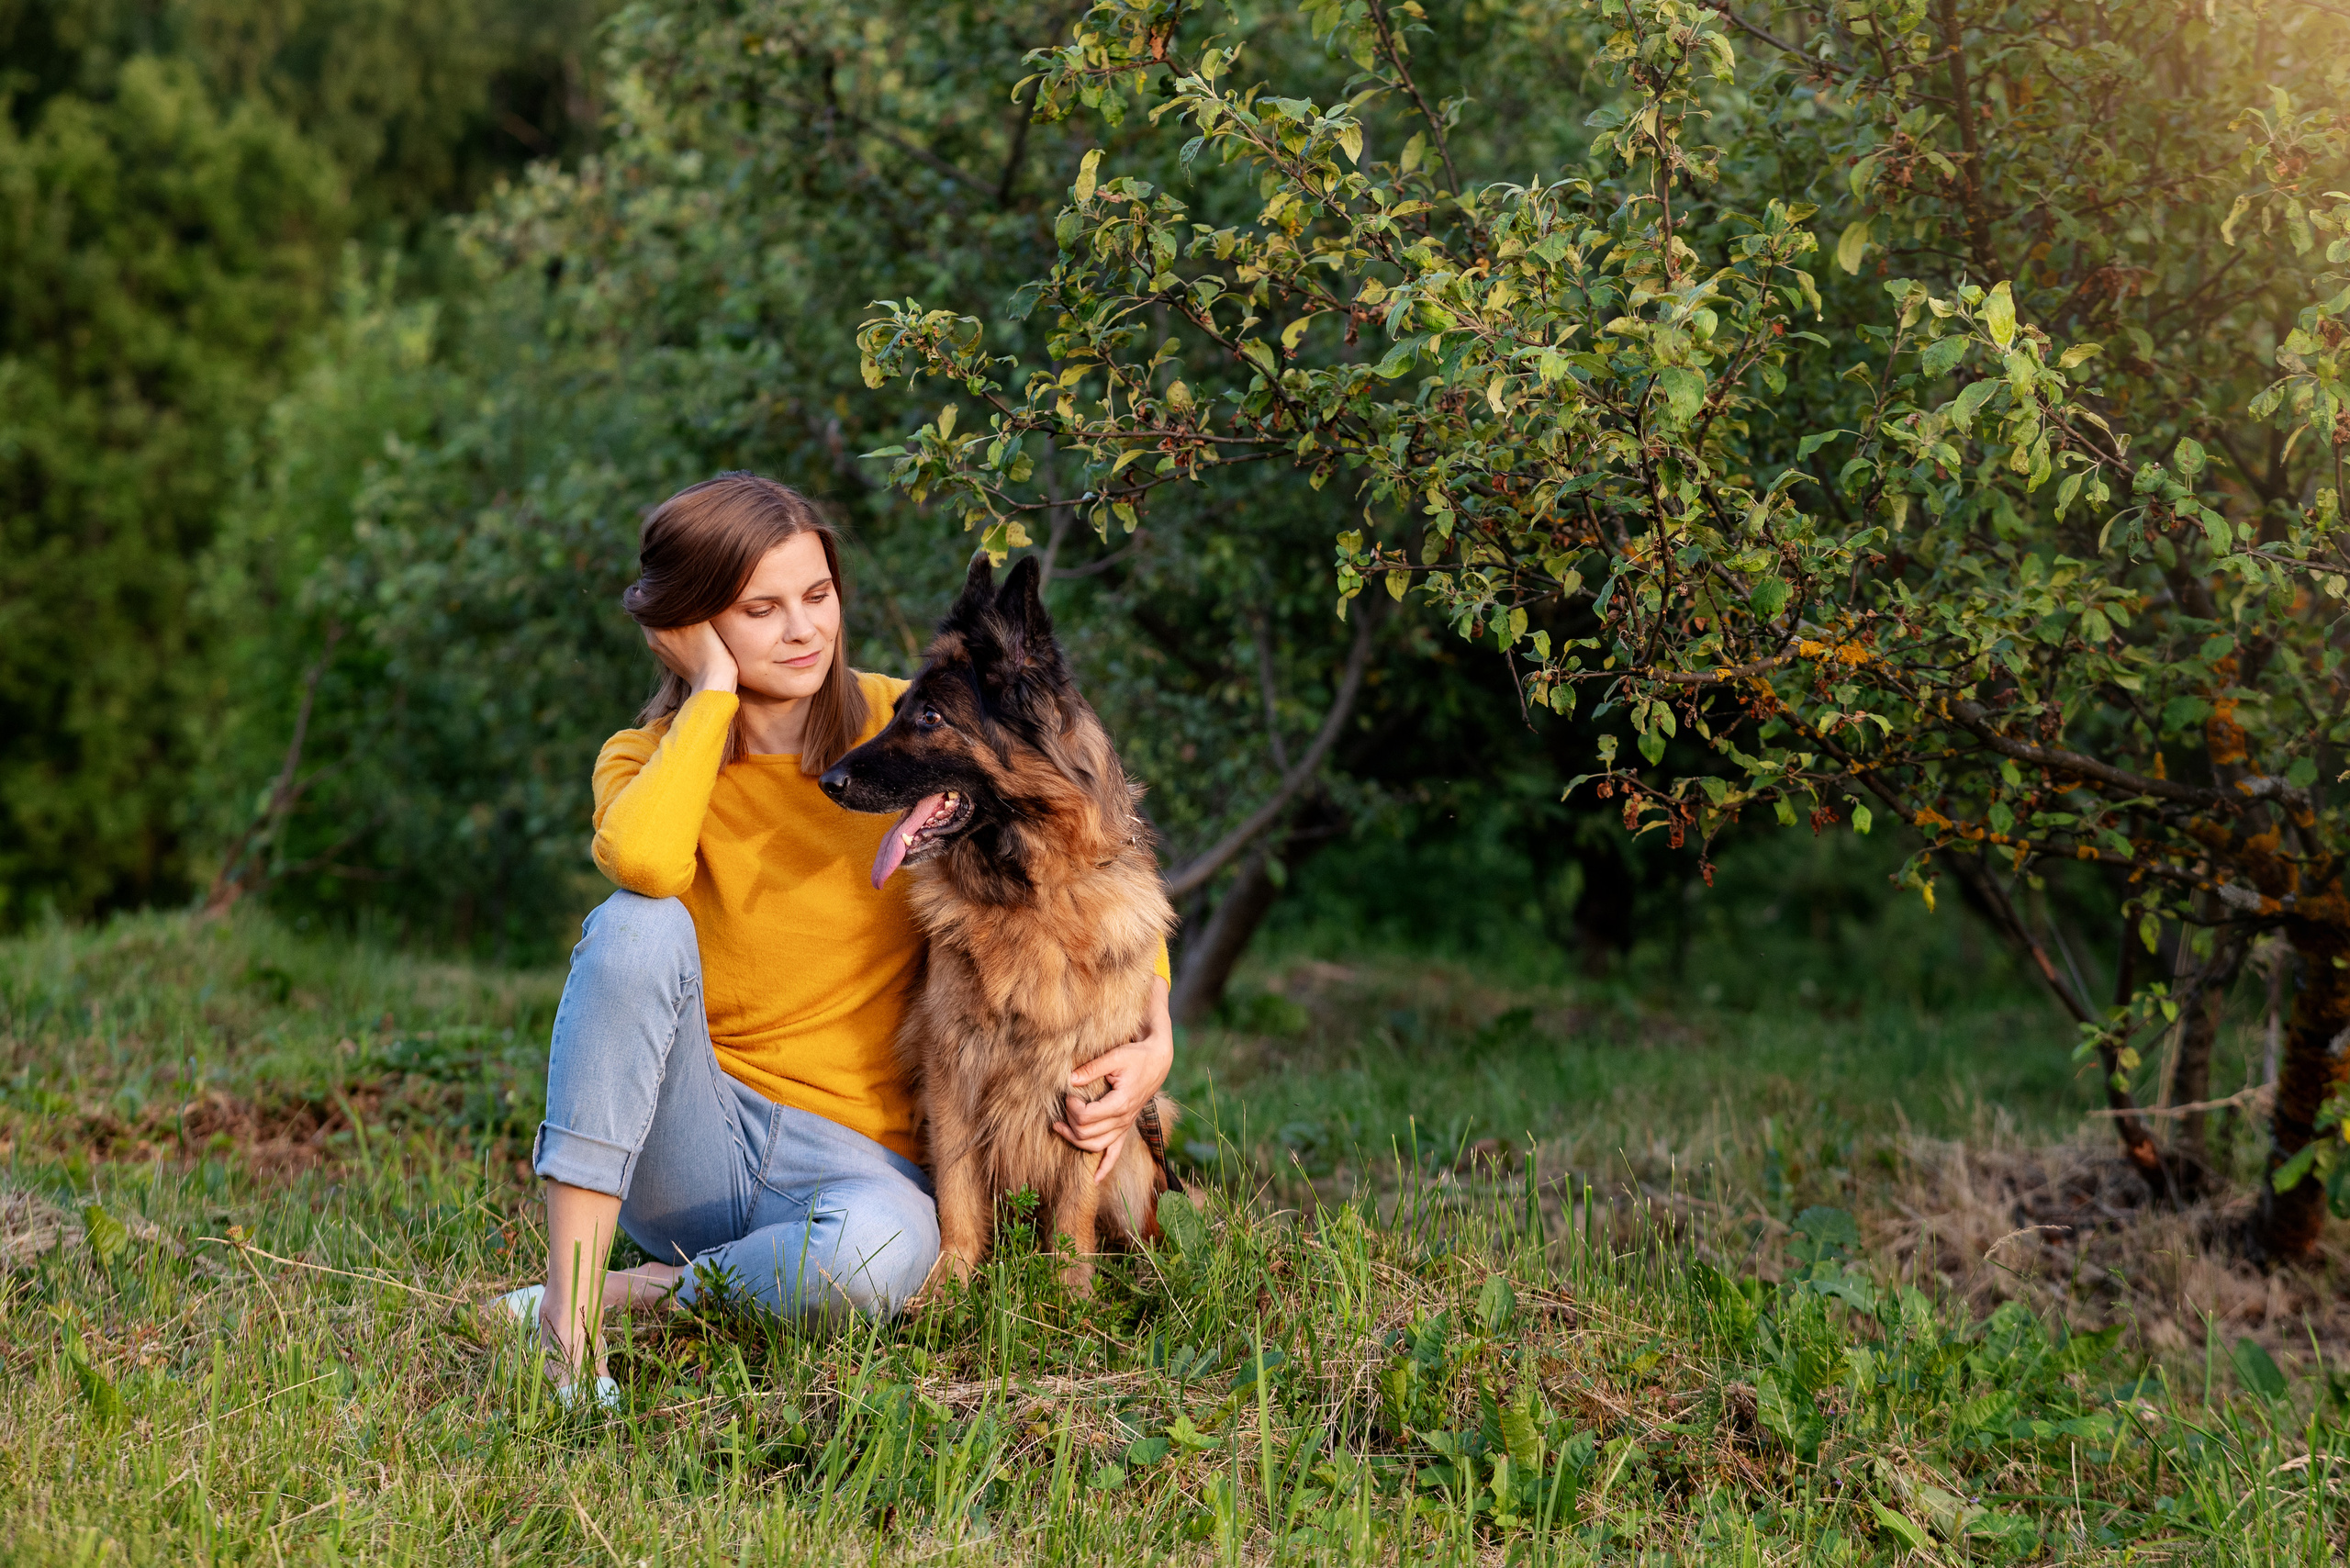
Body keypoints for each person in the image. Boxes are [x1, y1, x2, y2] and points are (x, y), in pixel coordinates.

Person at [501, 473, 1173, 1404]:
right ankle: (568, 1322)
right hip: (694, 1139)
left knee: (883, 1258)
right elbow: (647, 863)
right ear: (693, 623)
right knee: (634, 925)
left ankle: (650, 1291)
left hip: (858, 1162)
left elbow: (1082, 848)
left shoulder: (904, 730)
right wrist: (712, 695)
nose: (803, 630)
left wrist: (1155, 1034)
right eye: (761, 609)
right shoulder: (643, 758)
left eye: (817, 595)